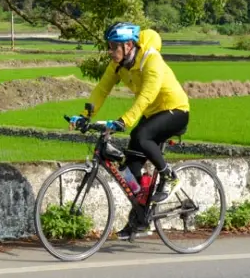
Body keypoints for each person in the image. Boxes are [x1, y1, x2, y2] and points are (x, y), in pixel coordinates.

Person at [69, 22, 190, 240]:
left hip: (175, 110)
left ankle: (169, 176)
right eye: (109, 45)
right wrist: (85, 116)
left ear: (128, 45)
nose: (110, 50)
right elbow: (101, 89)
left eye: (114, 46)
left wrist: (123, 121)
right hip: (152, 113)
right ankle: (140, 219)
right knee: (130, 167)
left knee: (142, 136)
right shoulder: (117, 64)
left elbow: (146, 96)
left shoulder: (151, 60)